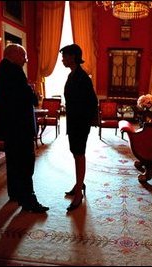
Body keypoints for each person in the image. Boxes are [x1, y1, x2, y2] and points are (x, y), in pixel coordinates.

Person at [0, 43, 49, 213]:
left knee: (13, 161)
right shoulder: (15, 71)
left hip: (9, 125)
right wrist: (33, 92)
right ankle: (29, 200)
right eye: (24, 56)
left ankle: (15, 193)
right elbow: (30, 99)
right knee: (25, 163)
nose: (26, 60)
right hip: (20, 126)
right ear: (14, 54)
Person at [60, 44, 98, 212]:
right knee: (76, 153)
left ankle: (78, 194)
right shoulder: (72, 75)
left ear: (73, 57)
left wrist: (89, 120)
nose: (62, 59)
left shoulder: (82, 77)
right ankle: (78, 184)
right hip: (74, 121)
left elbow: (92, 101)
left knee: (79, 154)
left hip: (80, 122)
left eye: (65, 56)